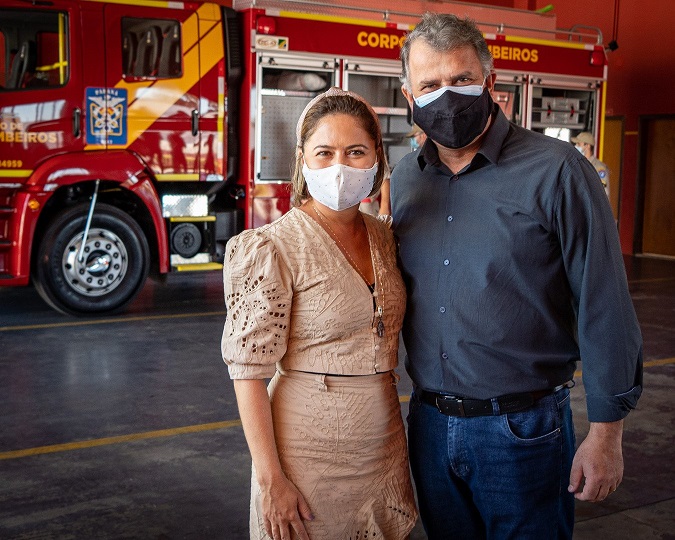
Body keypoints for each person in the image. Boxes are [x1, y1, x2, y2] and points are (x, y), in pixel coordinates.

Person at [390, 13, 643, 539]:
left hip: (523, 430)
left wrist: (607, 433)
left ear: (490, 81)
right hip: (429, 425)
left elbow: (603, 301)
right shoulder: (406, 178)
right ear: (409, 95)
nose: (446, 97)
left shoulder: (557, 170)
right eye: (430, 85)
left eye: (461, 79)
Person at [221, 86, 417, 540]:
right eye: (324, 153)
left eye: (355, 152)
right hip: (306, 457)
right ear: (303, 161)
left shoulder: (384, 238)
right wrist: (271, 480)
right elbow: (248, 373)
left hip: (384, 450)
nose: (339, 167)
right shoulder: (272, 247)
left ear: (377, 159)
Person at [571, 131, 611, 198]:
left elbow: (604, 194)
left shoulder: (599, 167)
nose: (576, 146)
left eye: (578, 144)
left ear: (587, 145)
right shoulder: (578, 164)